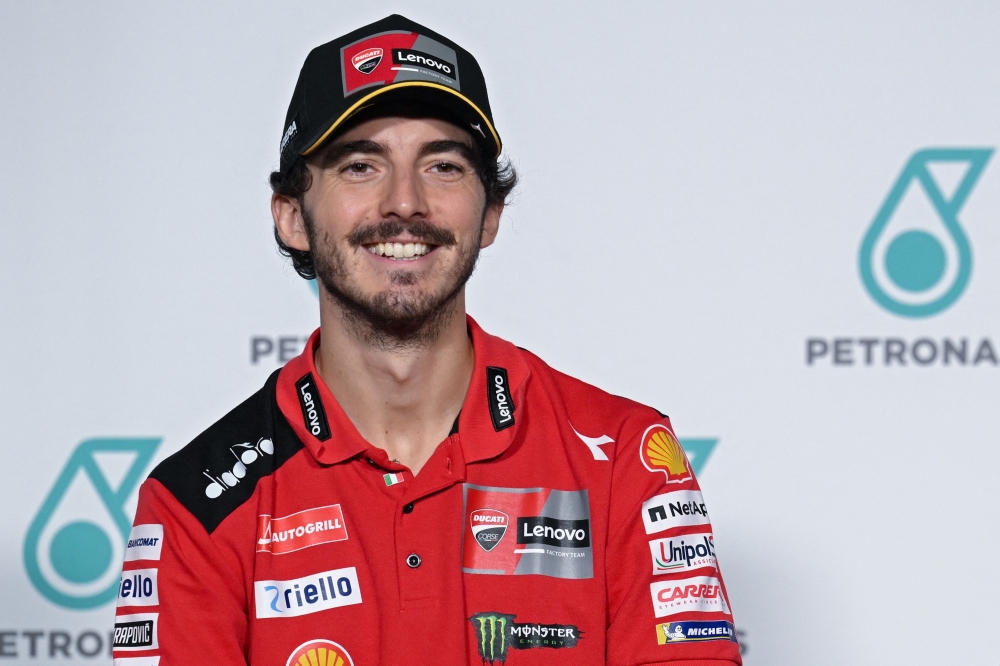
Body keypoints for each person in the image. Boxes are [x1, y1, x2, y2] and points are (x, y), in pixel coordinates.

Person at [112, 14, 741, 666]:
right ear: (293, 217)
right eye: (360, 166)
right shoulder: (194, 507)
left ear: (490, 213)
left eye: (443, 165)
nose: (405, 202)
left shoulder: (627, 463)